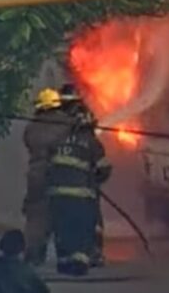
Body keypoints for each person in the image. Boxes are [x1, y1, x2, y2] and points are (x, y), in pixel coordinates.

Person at [47, 86, 109, 276]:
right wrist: (95, 179)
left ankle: (64, 261)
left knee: (63, 227)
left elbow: (48, 163)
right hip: (82, 195)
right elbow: (104, 168)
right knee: (85, 226)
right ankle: (84, 259)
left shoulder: (55, 137)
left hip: (57, 194)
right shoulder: (90, 141)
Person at [22, 87, 77, 266]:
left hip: (36, 176)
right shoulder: (69, 124)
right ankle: (67, 256)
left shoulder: (31, 128)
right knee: (66, 214)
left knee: (37, 216)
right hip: (63, 175)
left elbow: (30, 144)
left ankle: (34, 255)